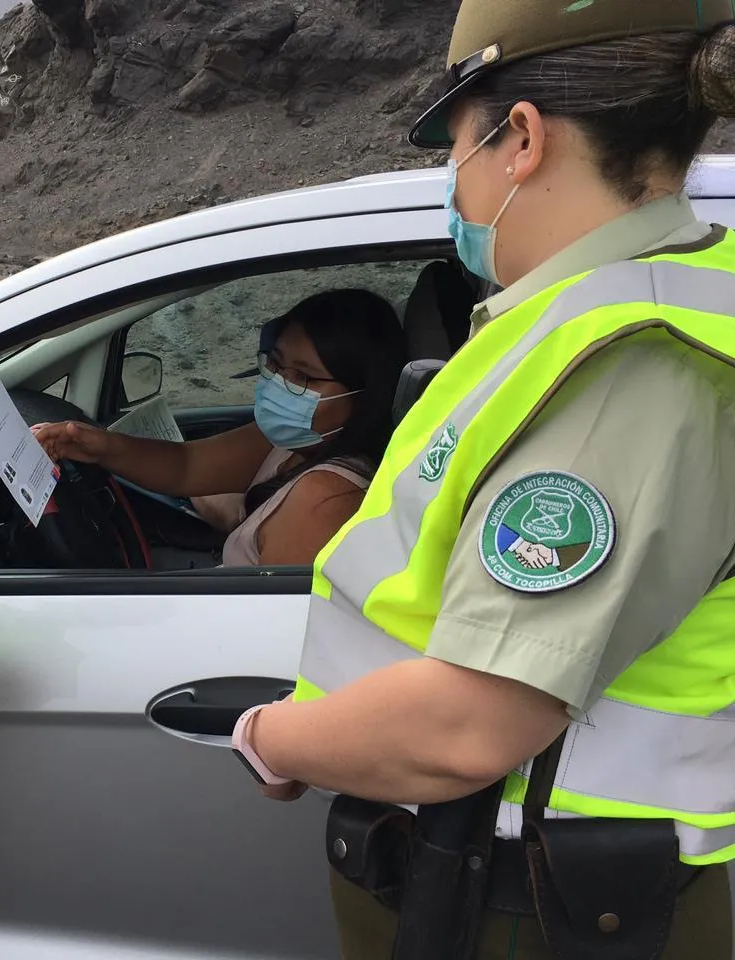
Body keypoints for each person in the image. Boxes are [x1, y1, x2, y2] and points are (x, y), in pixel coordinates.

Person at [226, 3, 735, 959]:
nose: (453, 185)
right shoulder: (589, 318)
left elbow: (471, 723)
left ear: (523, 138)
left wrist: (274, 737)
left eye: (456, 144)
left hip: (534, 910)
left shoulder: (629, 363)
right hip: (512, 885)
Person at [33, 289, 407, 567]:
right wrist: (97, 446)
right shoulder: (296, 442)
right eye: (275, 365)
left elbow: (264, 628)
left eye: (303, 377)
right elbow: (187, 466)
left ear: (363, 396)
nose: (279, 384)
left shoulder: (326, 498)